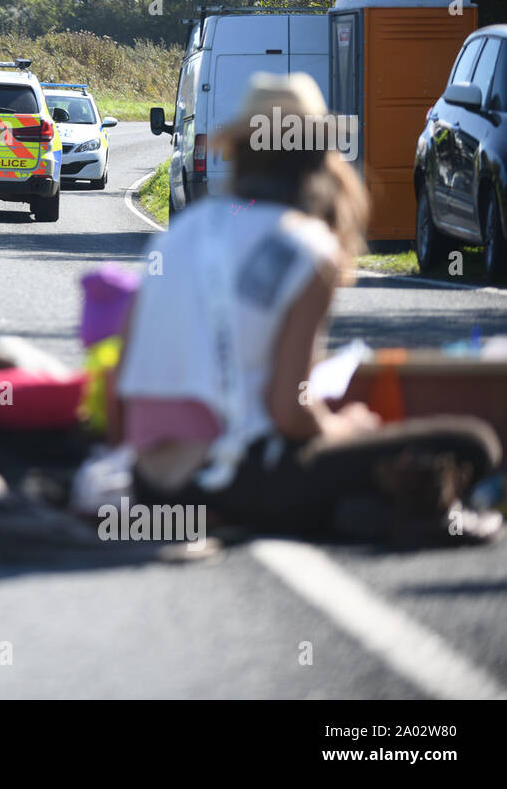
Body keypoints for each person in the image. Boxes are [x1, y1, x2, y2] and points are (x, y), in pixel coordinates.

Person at [111, 72, 503, 546]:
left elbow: (120, 385)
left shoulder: (182, 232)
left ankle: (354, 509)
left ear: (239, 153)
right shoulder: (311, 249)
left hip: (153, 490)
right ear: (319, 158)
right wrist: (343, 427)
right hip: (237, 482)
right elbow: (289, 412)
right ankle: (362, 507)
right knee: (473, 442)